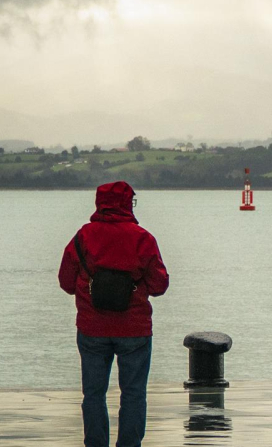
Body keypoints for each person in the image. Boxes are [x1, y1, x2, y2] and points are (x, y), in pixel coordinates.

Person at [58, 181, 169, 447]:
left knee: (94, 394)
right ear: (128, 204)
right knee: (133, 393)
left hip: (92, 328)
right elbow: (159, 285)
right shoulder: (143, 238)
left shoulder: (83, 236)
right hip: (134, 329)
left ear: (99, 203)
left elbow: (65, 281)